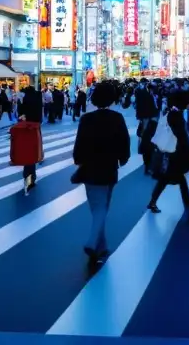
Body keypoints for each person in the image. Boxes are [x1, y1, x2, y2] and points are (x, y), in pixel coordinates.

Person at [73, 81, 131, 268]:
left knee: (97, 207)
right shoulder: (117, 118)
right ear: (112, 98)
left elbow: (79, 146)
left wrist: (78, 160)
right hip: (109, 168)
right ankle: (94, 243)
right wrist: (123, 158)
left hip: (89, 169)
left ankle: (100, 247)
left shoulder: (86, 119)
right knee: (102, 206)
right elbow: (124, 142)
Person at [147, 91, 189, 221]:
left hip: (169, 155)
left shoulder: (170, 112)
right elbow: (183, 138)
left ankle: (153, 202)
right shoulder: (177, 117)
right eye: (188, 101)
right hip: (175, 155)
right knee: (180, 182)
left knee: (165, 180)